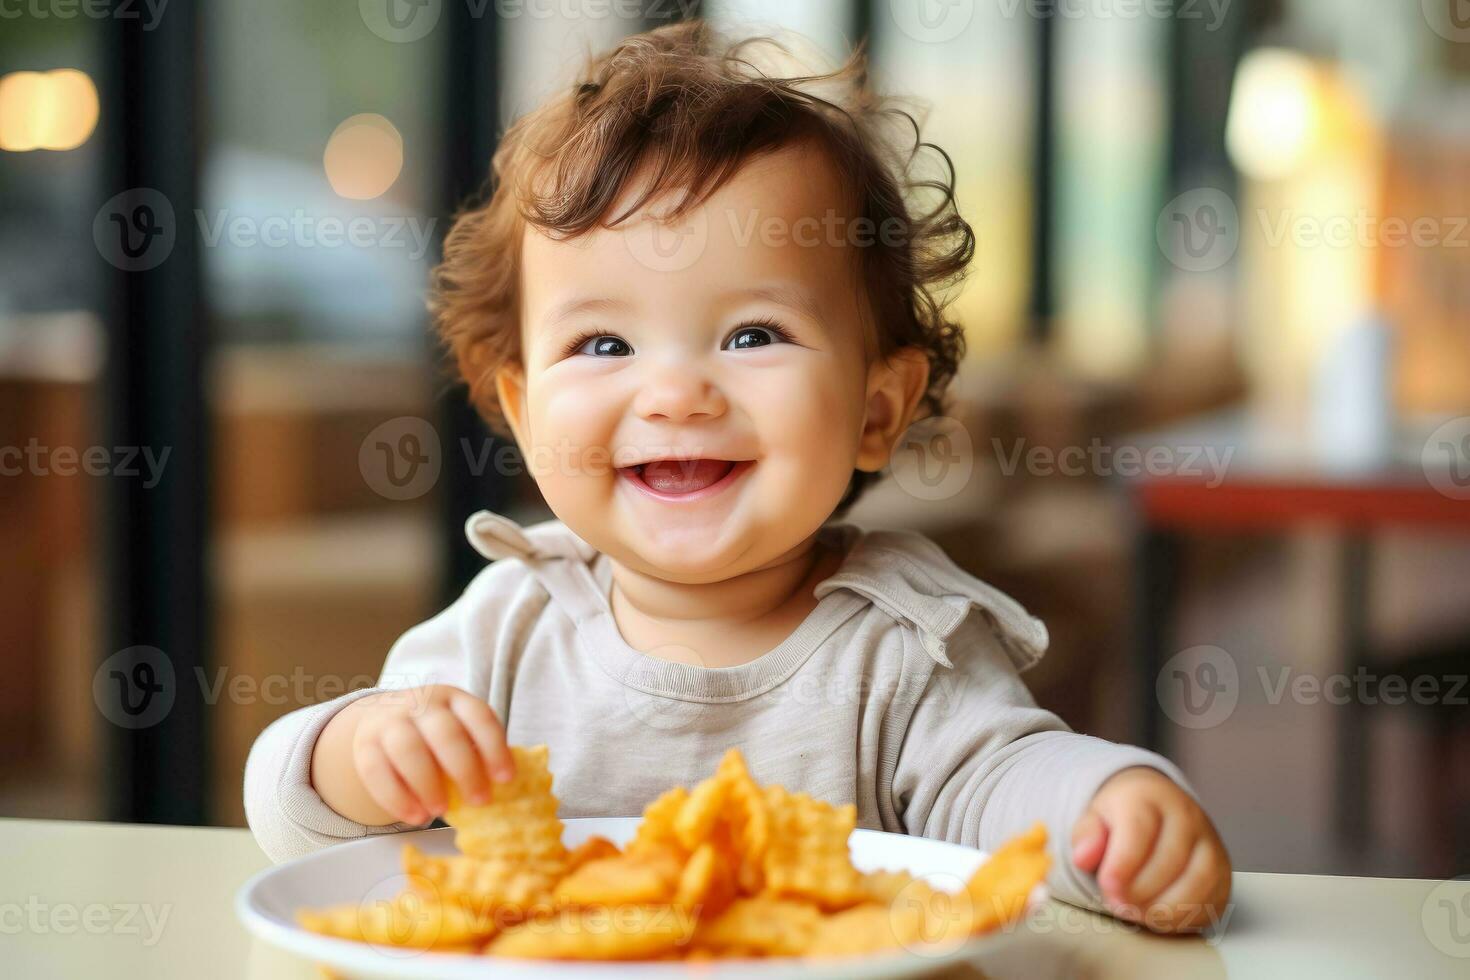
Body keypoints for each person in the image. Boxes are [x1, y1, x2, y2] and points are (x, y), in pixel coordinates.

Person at [245, 20, 1230, 932]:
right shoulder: (506, 630)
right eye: (602, 341)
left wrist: (1105, 809)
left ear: (877, 410)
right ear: (523, 405)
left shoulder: (902, 648)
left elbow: (1001, 785)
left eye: (753, 333)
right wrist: (357, 755)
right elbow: (294, 819)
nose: (674, 391)